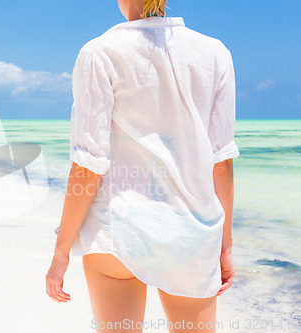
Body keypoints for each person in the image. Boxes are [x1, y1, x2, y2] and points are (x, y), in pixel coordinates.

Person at [45, 0, 239, 332]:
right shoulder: (215, 52)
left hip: (118, 232)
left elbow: (88, 164)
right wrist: (225, 245)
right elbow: (220, 161)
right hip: (191, 234)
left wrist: (62, 249)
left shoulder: (99, 52)